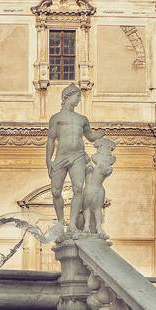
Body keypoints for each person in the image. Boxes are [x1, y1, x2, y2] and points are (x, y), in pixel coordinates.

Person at [46, 83, 103, 231]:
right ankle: (60, 222)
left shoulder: (82, 119)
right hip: (61, 156)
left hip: (78, 156)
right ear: (68, 96)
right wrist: (48, 160)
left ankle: (72, 224)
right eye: (77, 96)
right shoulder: (56, 118)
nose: (79, 100)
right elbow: (51, 140)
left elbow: (90, 136)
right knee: (55, 191)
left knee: (78, 189)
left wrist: (103, 133)